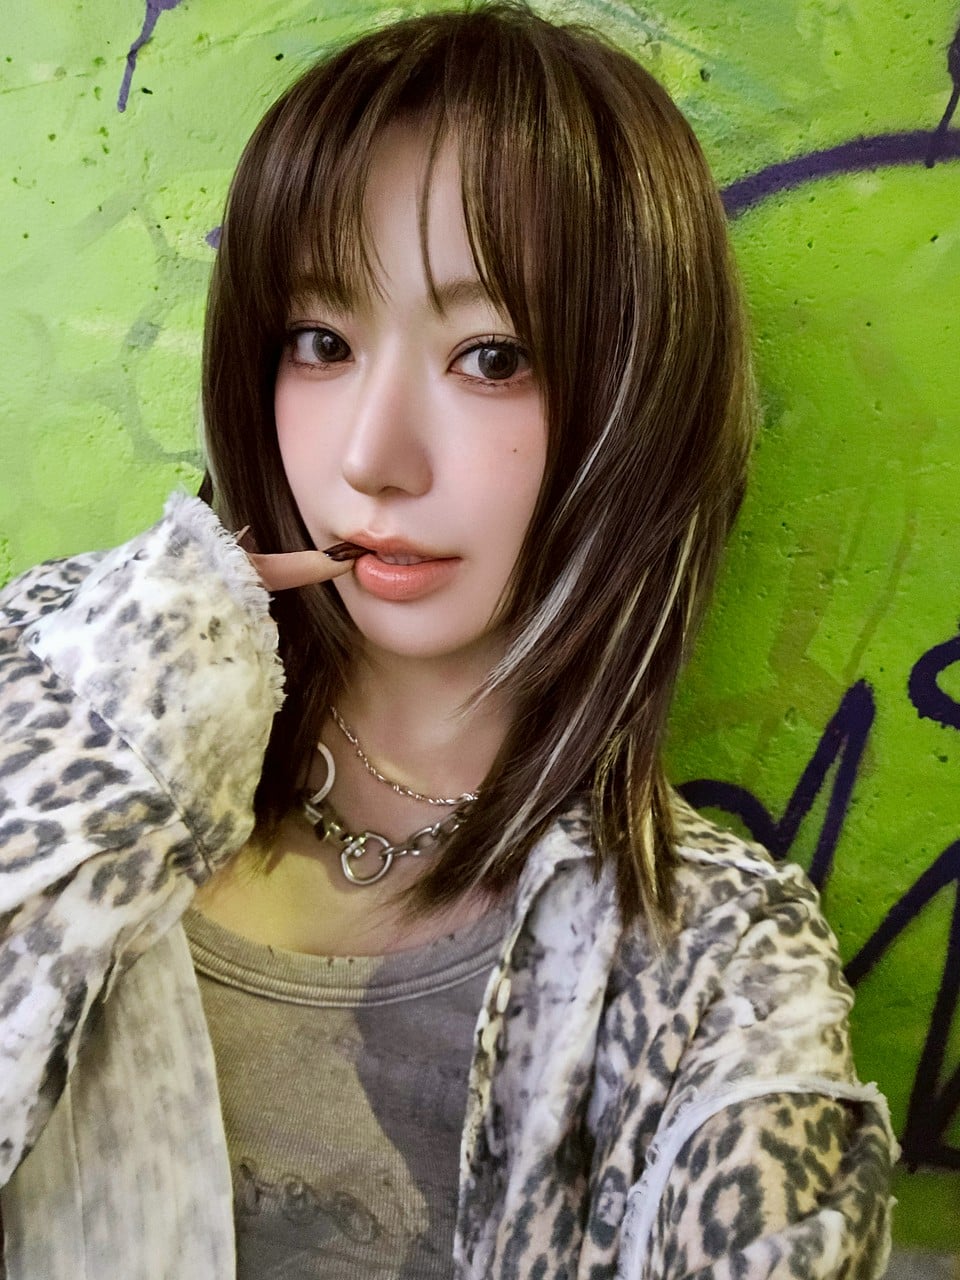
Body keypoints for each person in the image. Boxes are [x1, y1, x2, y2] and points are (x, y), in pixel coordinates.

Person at [0, 4, 895, 1277]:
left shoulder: (714, 973)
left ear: (639, 395)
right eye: (321, 342)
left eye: (491, 356)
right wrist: (131, 701)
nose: (372, 456)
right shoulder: (53, 699)